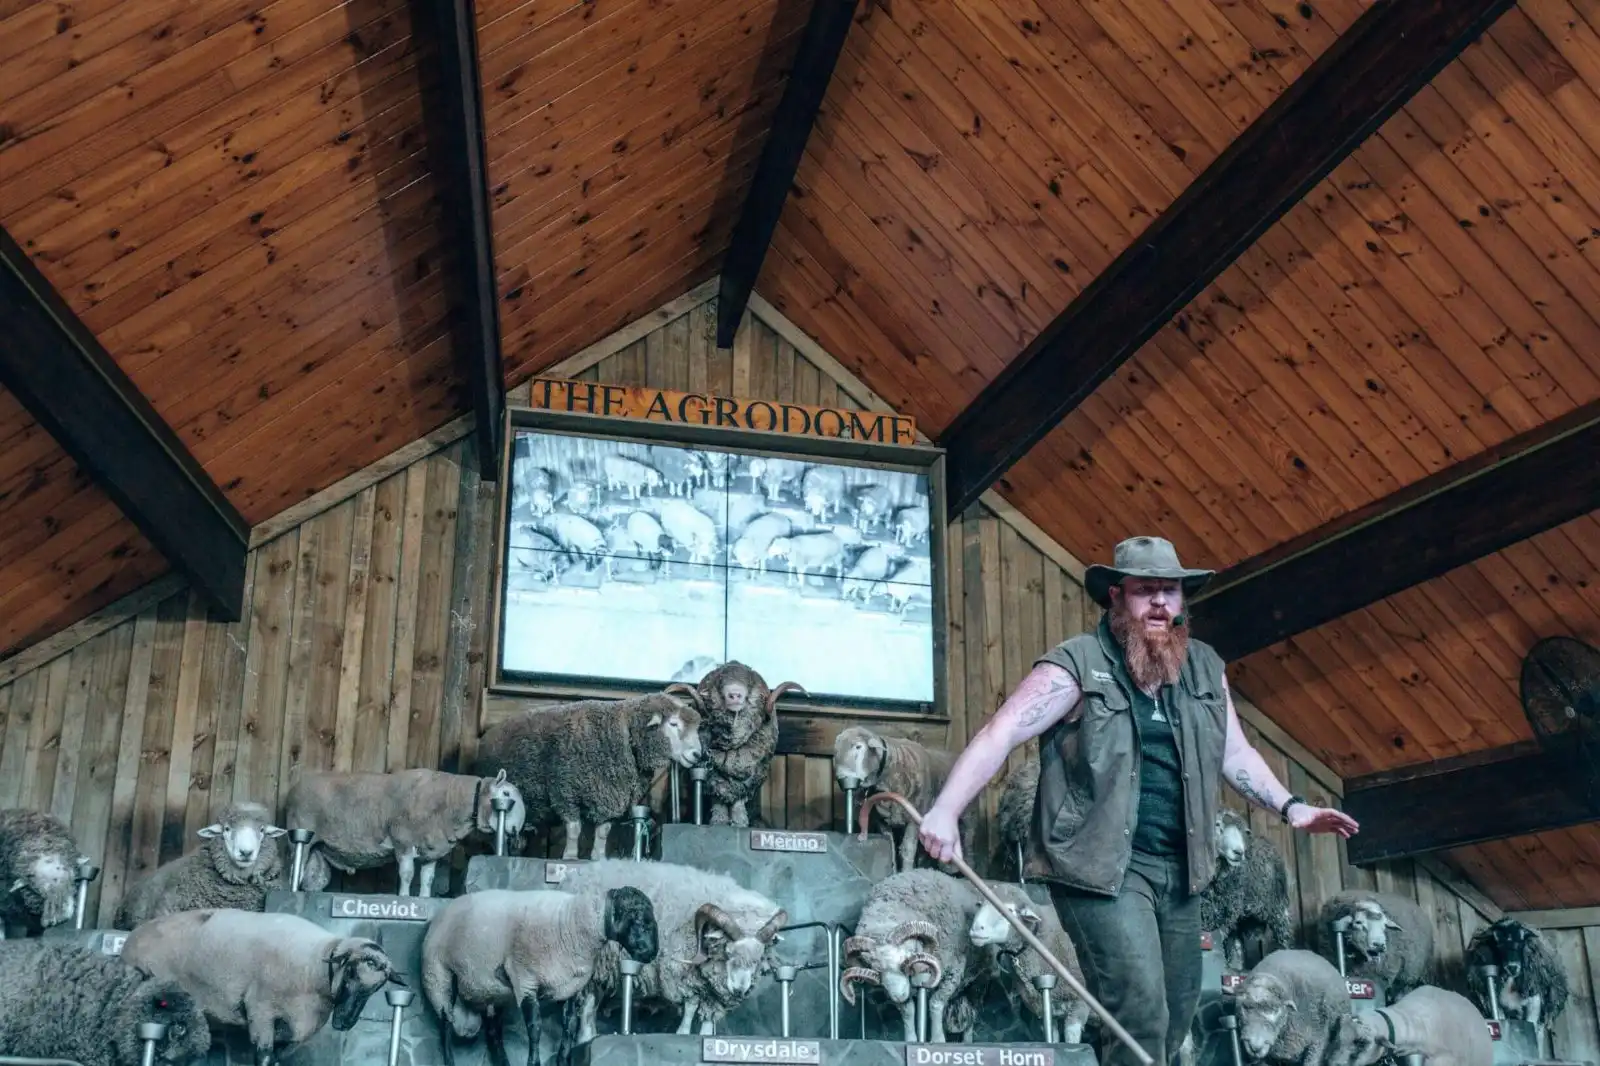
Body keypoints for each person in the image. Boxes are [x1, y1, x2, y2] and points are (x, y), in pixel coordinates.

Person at [917, 535, 1359, 1066]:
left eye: (1169, 592)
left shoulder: (1203, 668)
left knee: (1175, 1015)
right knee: (1139, 1014)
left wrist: (1293, 807)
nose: (1159, 603)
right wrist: (945, 809)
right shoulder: (1076, 665)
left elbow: (1233, 752)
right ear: (1116, 598)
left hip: (1181, 870)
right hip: (1100, 870)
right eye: (1145, 591)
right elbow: (1000, 733)